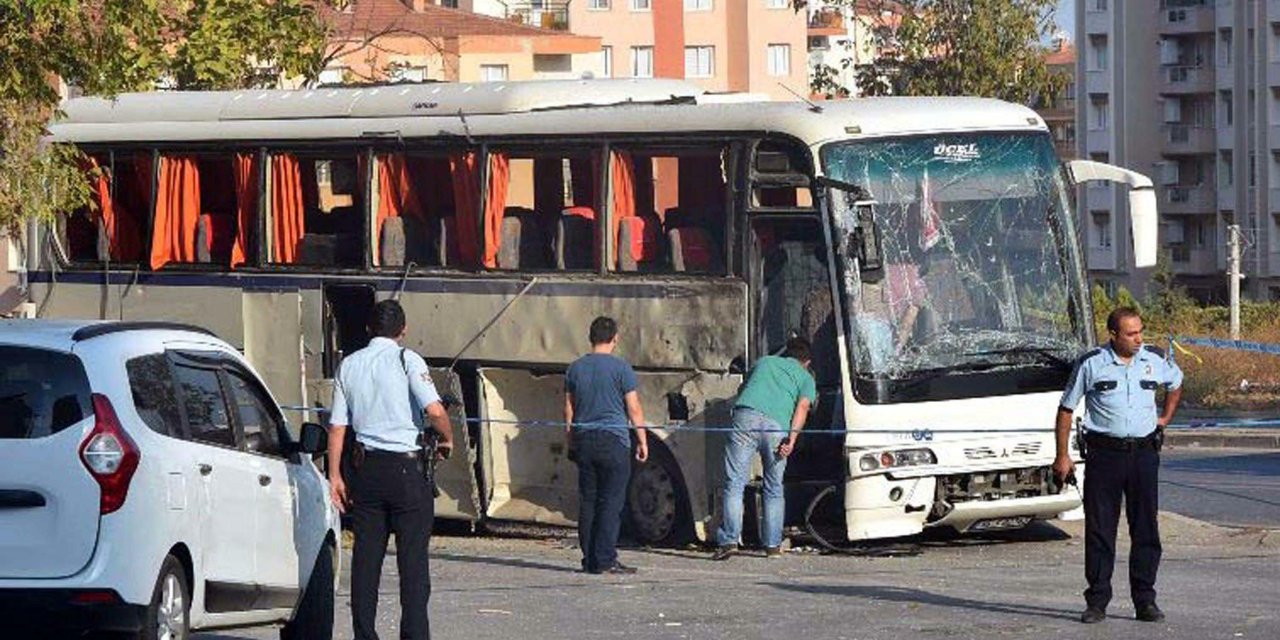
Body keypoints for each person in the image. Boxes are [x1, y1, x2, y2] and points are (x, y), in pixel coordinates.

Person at [327, 299, 454, 640]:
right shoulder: (407, 359)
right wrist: (447, 440)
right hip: (407, 472)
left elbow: (337, 426)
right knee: (413, 566)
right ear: (404, 330)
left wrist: (334, 475)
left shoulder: (349, 365)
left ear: (369, 328)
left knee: (366, 563)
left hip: (365, 471)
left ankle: (364, 634)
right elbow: (436, 411)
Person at [1055, 307, 1183, 625]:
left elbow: (1176, 383)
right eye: (1131, 333)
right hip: (1104, 456)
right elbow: (1066, 409)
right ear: (1113, 335)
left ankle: (1145, 601)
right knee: (1100, 530)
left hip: (1143, 455)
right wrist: (1062, 456)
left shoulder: (1154, 359)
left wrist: (1164, 419)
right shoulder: (1091, 363)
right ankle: (1097, 601)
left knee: (1145, 529)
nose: (1138, 339)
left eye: (1140, 331)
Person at [713, 337, 817, 560]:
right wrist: (791, 439)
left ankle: (730, 541)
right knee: (773, 486)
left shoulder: (764, 362)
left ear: (786, 353)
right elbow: (803, 407)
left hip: (745, 418)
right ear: (806, 362)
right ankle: (772, 546)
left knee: (735, 483)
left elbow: (743, 388)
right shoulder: (806, 378)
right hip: (776, 426)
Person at [564, 316, 649, 574]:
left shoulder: (574, 369)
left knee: (588, 500)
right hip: (614, 440)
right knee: (611, 502)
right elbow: (633, 408)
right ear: (615, 339)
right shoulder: (622, 369)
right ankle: (605, 558)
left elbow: (569, 409)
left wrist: (571, 440)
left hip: (585, 440)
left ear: (590, 337)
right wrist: (642, 440)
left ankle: (589, 559)